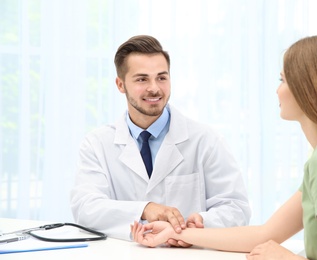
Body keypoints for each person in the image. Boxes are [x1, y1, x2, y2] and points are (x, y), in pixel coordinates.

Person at [131, 33, 317, 259]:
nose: (278, 91)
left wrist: (285, 258)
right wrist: (181, 233)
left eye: (283, 80)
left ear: (309, 89)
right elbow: (267, 233)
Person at [70, 35, 251, 242]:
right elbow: (86, 208)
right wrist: (146, 209)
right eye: (142, 79)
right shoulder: (97, 144)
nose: (154, 88)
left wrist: (197, 226)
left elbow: (237, 209)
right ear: (120, 85)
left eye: (161, 77)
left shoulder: (205, 140)